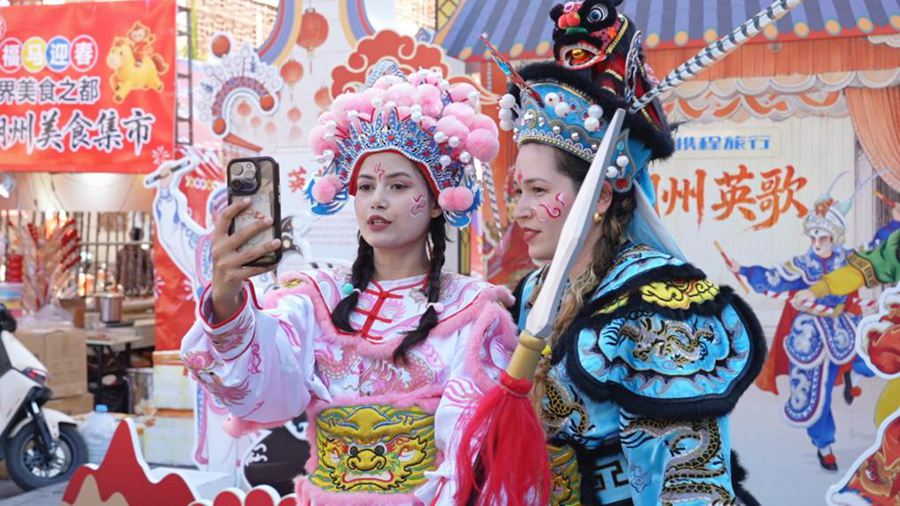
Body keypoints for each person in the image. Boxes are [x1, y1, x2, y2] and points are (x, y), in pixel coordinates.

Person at [461, 1, 766, 503]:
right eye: (519, 192)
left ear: (600, 195)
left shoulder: (662, 303)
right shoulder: (532, 291)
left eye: (539, 191)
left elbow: (685, 482)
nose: (521, 211)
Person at [181, 61, 516, 505]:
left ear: (437, 201)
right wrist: (227, 295)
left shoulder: (470, 310)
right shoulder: (317, 297)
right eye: (364, 186)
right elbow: (262, 391)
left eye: (398, 185)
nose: (376, 200)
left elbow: (477, 449)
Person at [729, 183, 874, 471]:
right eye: (814, 236)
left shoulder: (849, 260)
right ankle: (825, 444)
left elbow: (874, 262)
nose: (818, 242)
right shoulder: (802, 264)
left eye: (824, 237)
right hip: (811, 333)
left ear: (835, 236)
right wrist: (745, 270)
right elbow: (775, 277)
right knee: (814, 392)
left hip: (844, 324)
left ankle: (851, 376)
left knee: (871, 353)